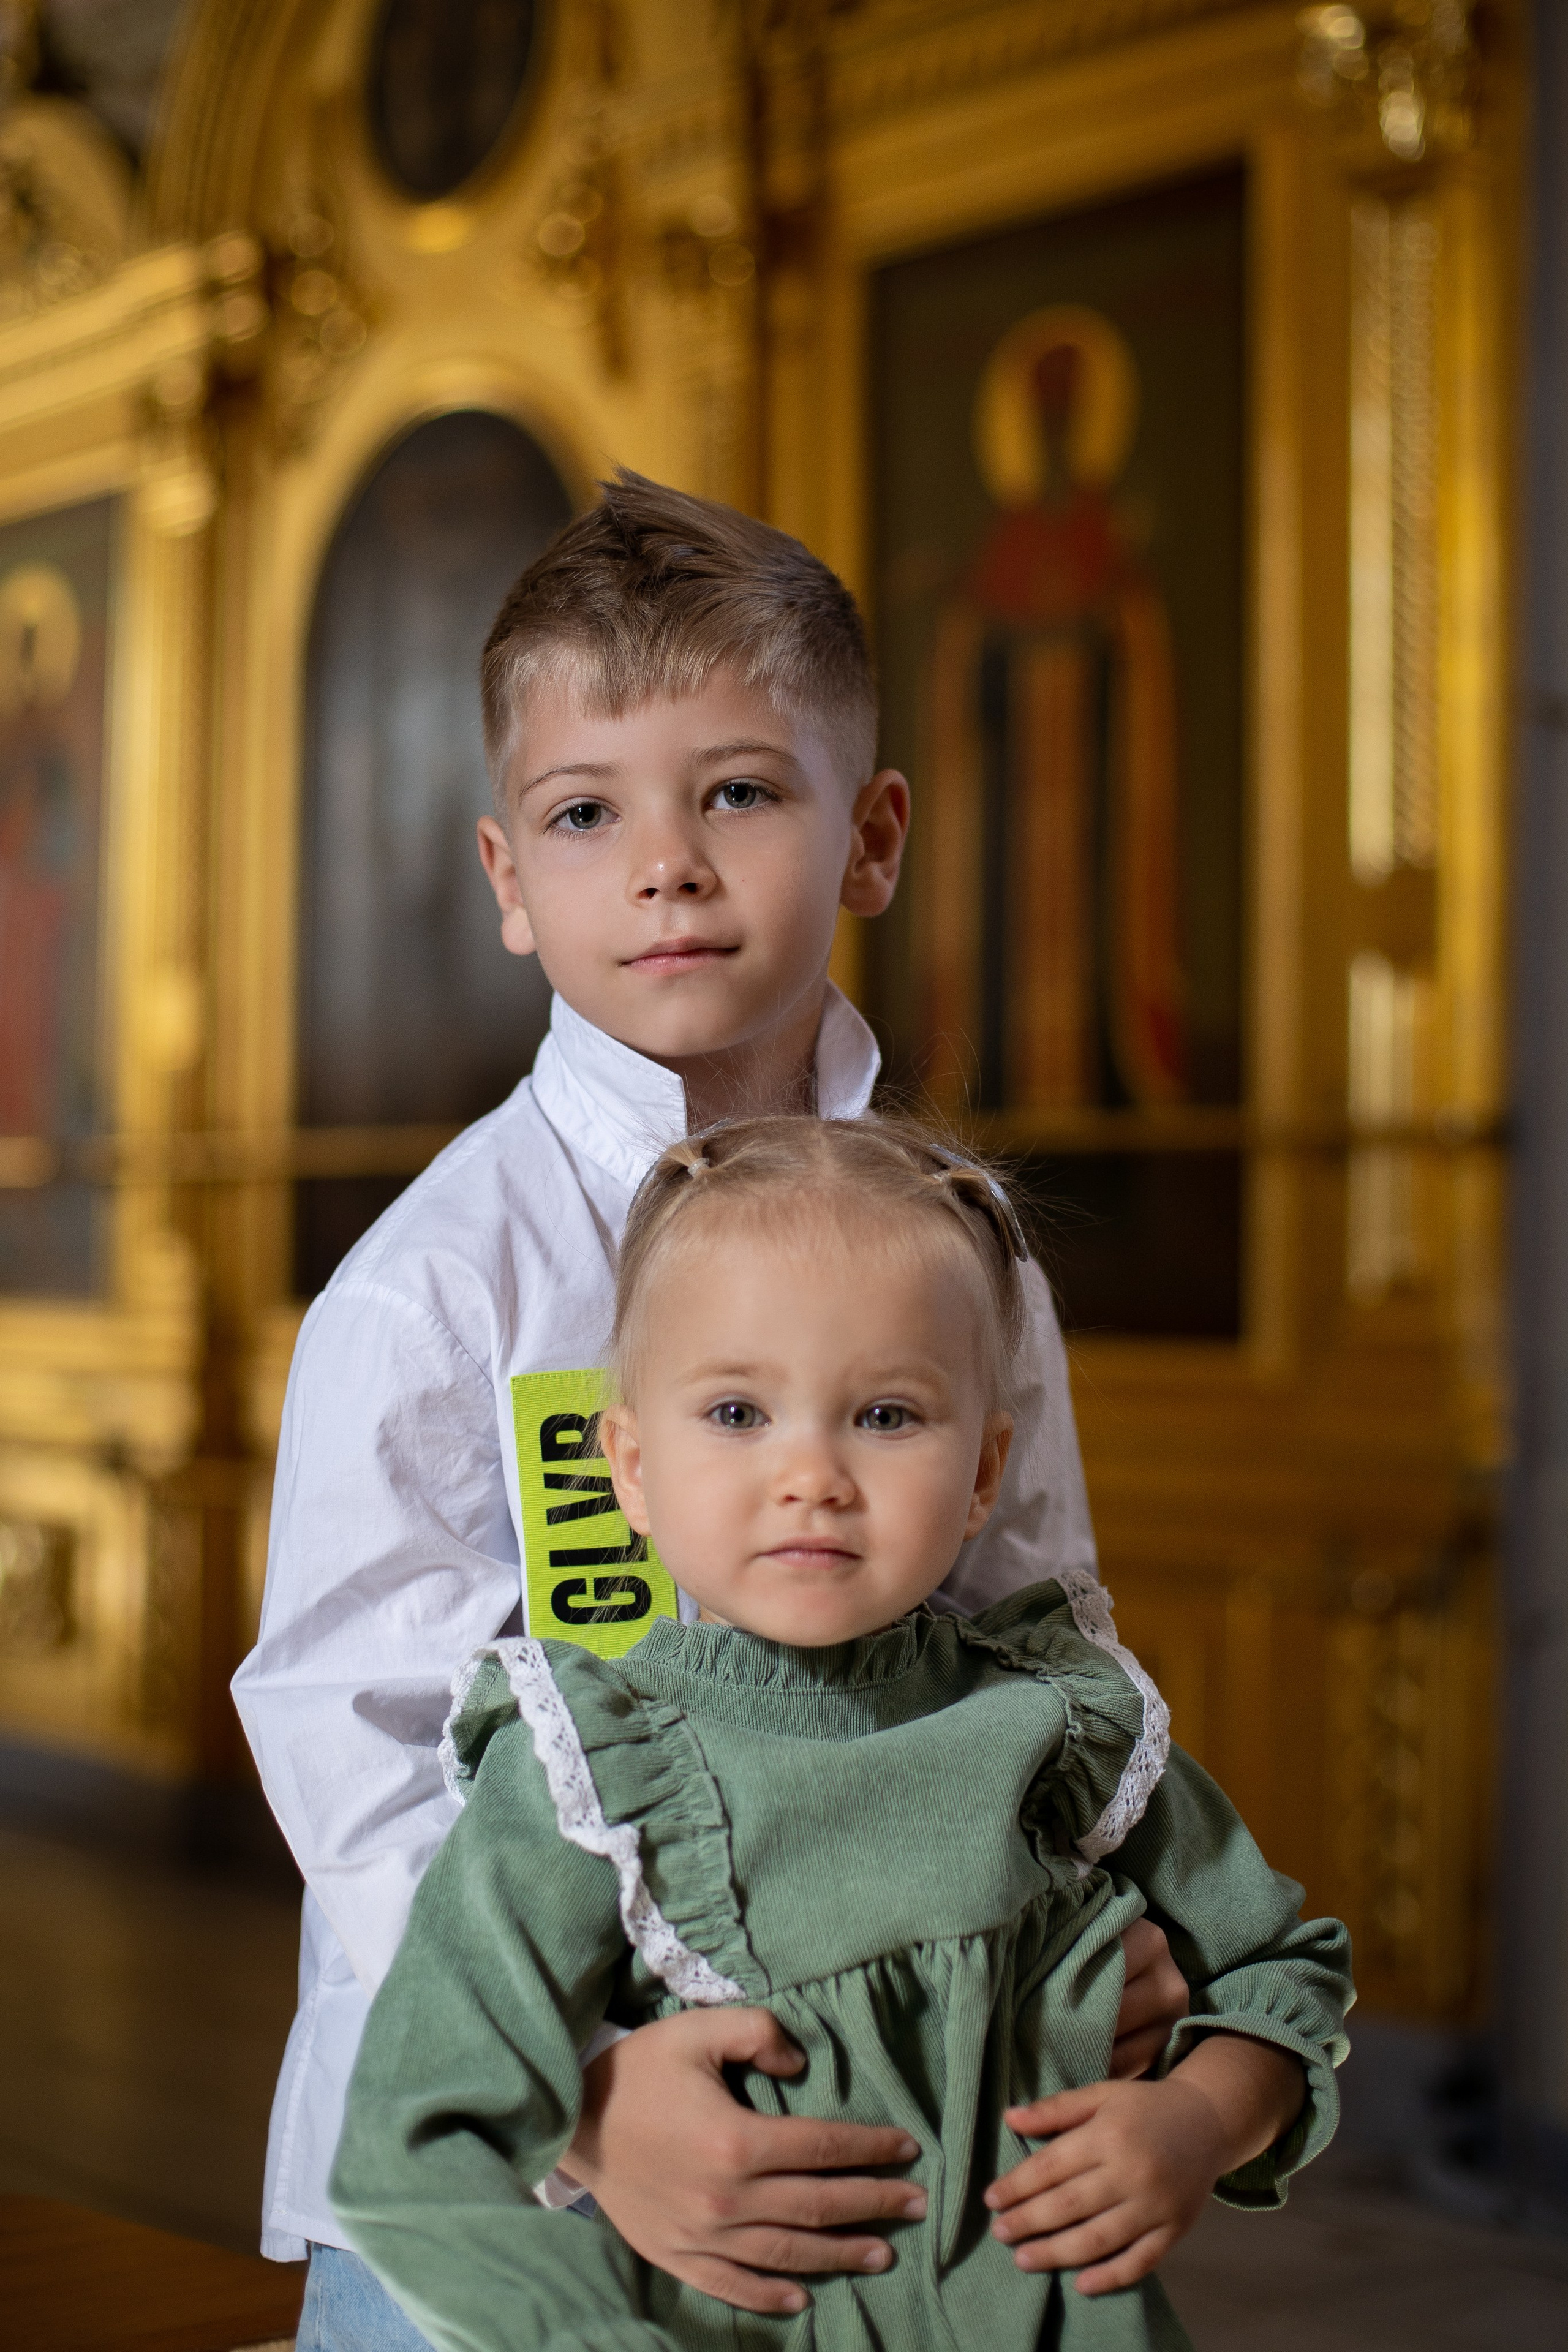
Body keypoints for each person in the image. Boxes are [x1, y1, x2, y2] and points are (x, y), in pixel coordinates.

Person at [235, 473, 1194, 2343]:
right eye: (588, 814)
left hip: (871, 2129)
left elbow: (1045, 1632)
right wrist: (585, 2093)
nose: (665, 863)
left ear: (872, 835)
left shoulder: (969, 1265)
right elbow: (353, 1741)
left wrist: (1103, 1912)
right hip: (502, 2177)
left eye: (740, 792)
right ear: (511, 880)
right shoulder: (443, 1283)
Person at [331, 1116, 1351, 2352]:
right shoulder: (587, 1773)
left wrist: (1197, 2121)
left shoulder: (1059, 1721)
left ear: (982, 1474)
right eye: (735, 1412)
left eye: (882, 1415)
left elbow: (1276, 1976)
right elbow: (415, 2145)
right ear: (630, 1468)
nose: (810, 1473)